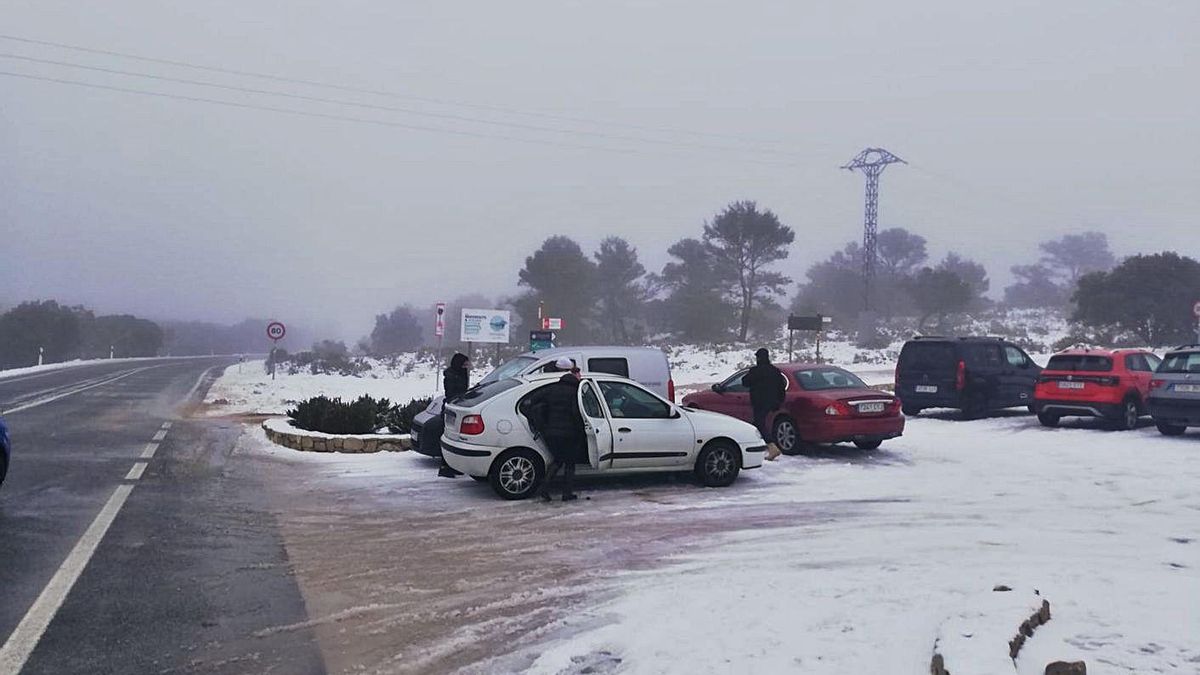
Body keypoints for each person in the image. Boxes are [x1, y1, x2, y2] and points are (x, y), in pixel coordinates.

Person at [527, 357, 585, 502]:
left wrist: (541, 422)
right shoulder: (575, 392)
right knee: (570, 463)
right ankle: (567, 493)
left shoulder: (551, 389)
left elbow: (533, 400)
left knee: (558, 460)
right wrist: (581, 430)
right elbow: (576, 413)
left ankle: (544, 488)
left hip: (551, 432)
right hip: (569, 433)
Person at [742, 348, 785, 461]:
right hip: (772, 402)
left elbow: (745, 382)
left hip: (759, 402)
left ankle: (772, 447)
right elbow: (782, 387)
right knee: (761, 423)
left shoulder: (756, 371)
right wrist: (779, 401)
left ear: (759, 358)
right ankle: (764, 445)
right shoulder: (775, 371)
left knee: (759, 423)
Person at [436, 353, 471, 478]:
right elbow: (451, 393)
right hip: (452, 409)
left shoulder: (462, 373)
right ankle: (444, 467)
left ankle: (453, 466)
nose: (466, 366)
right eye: (464, 364)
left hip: (460, 406)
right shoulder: (451, 376)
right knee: (448, 436)